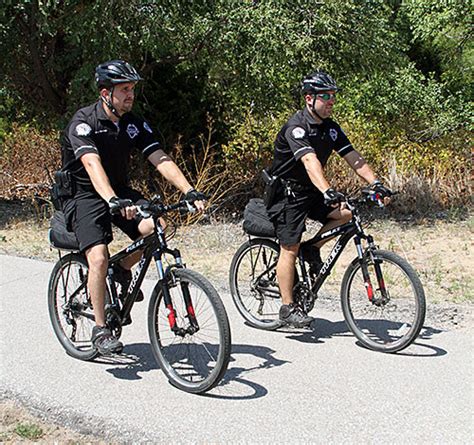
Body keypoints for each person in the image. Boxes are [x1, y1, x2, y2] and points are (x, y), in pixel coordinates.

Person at [60, 60, 206, 354]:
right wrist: (111, 200)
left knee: (157, 228)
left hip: (120, 191)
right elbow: (91, 163)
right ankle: (101, 329)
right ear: (105, 93)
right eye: (124, 89)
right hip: (84, 194)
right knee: (98, 257)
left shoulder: (133, 123)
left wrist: (189, 190)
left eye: (132, 89)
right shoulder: (83, 122)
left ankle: (122, 270)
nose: (131, 95)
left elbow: (159, 157)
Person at [266, 70, 392, 328]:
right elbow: (310, 162)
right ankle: (287, 307)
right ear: (310, 98)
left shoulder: (331, 128)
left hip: (312, 190)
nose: (332, 101)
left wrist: (376, 183)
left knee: (346, 214)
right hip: (287, 193)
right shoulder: (297, 127)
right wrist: (327, 191)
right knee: (289, 247)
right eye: (326, 96)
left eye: (334, 96)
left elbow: (353, 157)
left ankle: (313, 248)